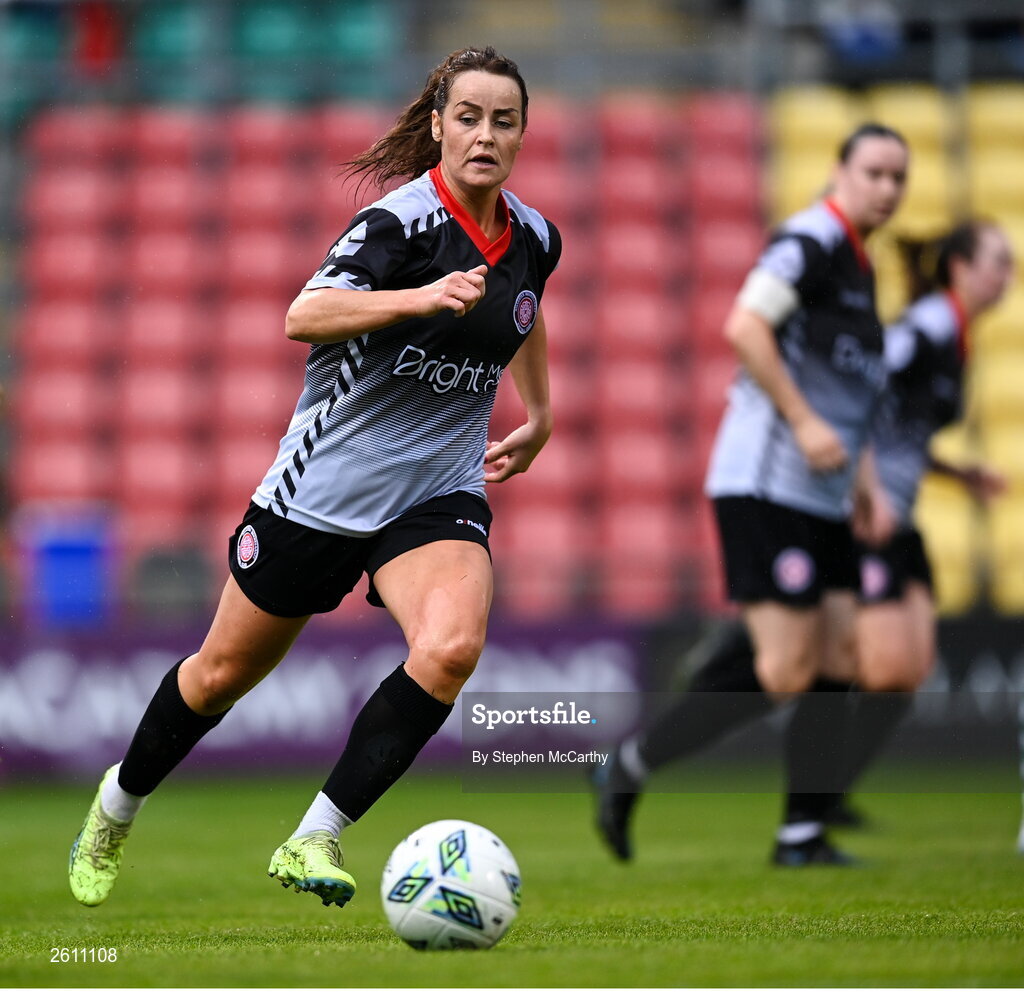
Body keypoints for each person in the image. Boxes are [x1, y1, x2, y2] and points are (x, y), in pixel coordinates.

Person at [68, 46, 560, 909]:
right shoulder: (398, 227)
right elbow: (305, 313)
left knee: (449, 649)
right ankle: (115, 808)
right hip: (319, 496)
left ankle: (314, 836)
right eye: (470, 117)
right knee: (217, 677)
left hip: (435, 491)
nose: (486, 134)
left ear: (522, 134)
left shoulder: (537, 236)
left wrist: (542, 412)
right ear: (439, 126)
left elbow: (525, 314)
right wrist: (415, 298)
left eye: (504, 120)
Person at [631, 219, 1014, 834]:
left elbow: (903, 431)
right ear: (961, 268)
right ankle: (757, 685)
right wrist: (867, 487)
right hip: (868, 509)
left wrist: (955, 473)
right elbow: (861, 398)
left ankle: (822, 793)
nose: (1008, 277)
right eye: (999, 261)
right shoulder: (928, 329)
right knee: (869, 667)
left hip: (900, 514)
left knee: (905, 673)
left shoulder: (958, 337)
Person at [592, 123, 908, 867]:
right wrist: (800, 422)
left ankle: (801, 834)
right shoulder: (809, 241)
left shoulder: (861, 267)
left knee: (838, 657)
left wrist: (862, 483)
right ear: (839, 171)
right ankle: (630, 763)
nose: (888, 189)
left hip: (825, 495)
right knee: (786, 671)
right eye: (874, 173)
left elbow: (853, 395)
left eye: (899, 177)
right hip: (768, 484)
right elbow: (745, 325)